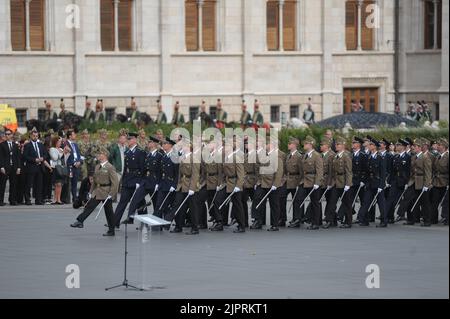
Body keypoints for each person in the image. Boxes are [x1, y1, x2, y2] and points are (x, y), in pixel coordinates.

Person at [70, 147, 119, 237]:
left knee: (109, 212)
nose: (98, 155)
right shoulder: (97, 166)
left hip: (106, 191)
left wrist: (111, 194)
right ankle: (80, 221)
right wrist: (90, 191)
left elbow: (115, 183)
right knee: (89, 206)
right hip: (98, 191)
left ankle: (111, 230)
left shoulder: (110, 167)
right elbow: (95, 181)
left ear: (104, 155)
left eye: (100, 154)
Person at [251, 137, 285, 231]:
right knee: (258, 200)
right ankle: (258, 221)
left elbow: (279, 172)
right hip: (262, 183)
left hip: (272, 184)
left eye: (267, 144)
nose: (265, 146)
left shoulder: (277, 157)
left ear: (271, 145)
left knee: (274, 204)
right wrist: (257, 181)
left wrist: (276, 184)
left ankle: (274, 224)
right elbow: (258, 169)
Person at [396, 139, 433, 226]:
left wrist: (426, 184)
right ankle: (410, 218)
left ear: (419, 148)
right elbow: (411, 171)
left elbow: (428, 172)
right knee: (409, 199)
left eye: (415, 146)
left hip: (421, 181)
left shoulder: (425, 158)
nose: (413, 148)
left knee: (424, 202)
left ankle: (427, 220)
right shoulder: (413, 157)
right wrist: (408, 182)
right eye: (414, 146)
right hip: (413, 181)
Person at [212, 140, 246, 233]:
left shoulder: (236, 158)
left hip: (235, 183)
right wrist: (220, 184)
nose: (224, 148)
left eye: (226, 146)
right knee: (217, 201)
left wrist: (238, 186)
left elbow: (241, 174)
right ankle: (219, 222)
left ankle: (241, 225)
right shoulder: (224, 158)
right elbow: (223, 173)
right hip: (226, 183)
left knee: (237, 205)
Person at [114, 132, 146, 226]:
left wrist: (139, 182)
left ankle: (144, 223)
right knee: (122, 202)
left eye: (130, 139)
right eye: (127, 139)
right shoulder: (127, 152)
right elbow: (125, 168)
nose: (128, 140)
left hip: (136, 180)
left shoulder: (140, 152)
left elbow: (142, 168)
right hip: (128, 180)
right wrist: (123, 181)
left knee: (140, 202)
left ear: (135, 140)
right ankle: (114, 222)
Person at [126, 136, 162, 219]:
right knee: (135, 199)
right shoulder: (148, 154)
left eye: (150, 142)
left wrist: (158, 183)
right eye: (148, 142)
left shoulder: (159, 156)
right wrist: (140, 181)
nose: (148, 143)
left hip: (154, 182)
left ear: (154, 144)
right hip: (145, 181)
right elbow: (144, 169)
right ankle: (129, 217)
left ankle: (158, 223)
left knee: (156, 203)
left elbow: (160, 171)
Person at [169, 142, 200, 235]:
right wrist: (178, 185)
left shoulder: (194, 158)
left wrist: (192, 188)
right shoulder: (182, 157)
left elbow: (195, 174)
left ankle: (195, 228)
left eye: (185, 146)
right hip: (182, 185)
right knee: (178, 205)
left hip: (190, 186)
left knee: (192, 207)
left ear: (189, 147)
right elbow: (180, 173)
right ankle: (179, 226)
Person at [357, 137, 387, 227]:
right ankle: (363, 219)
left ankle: (384, 221)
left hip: (378, 183)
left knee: (381, 203)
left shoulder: (380, 157)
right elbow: (367, 172)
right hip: (370, 183)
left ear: (374, 146)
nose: (368, 146)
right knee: (366, 201)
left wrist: (381, 185)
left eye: (370, 144)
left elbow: (383, 173)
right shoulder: (369, 157)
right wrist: (364, 181)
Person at [325, 137, 353, 229]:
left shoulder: (346, 156)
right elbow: (331, 172)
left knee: (346, 203)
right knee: (332, 202)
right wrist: (329, 183)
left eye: (338, 144)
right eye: (336, 144)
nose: (336, 146)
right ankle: (330, 221)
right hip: (335, 182)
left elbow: (349, 171)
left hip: (344, 182)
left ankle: (348, 222)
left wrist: (348, 184)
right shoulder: (334, 156)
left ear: (343, 146)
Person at [153, 137, 179, 220]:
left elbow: (177, 173)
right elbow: (160, 172)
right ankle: (157, 225)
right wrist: (158, 183)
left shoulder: (175, 157)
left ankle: (174, 223)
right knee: (159, 204)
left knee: (171, 205)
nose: (163, 145)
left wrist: (174, 185)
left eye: (165, 143)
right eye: (163, 143)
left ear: (170, 145)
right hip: (163, 184)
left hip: (171, 185)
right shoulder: (164, 157)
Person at [386, 139, 411, 223]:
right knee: (390, 199)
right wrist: (388, 181)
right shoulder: (395, 156)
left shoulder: (408, 157)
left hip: (403, 182)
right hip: (394, 181)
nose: (397, 146)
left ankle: (409, 217)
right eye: (397, 145)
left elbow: (409, 171)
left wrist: (407, 182)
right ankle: (389, 217)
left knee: (401, 200)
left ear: (403, 147)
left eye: (399, 145)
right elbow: (392, 171)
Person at [281, 137, 303, 228]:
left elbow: (302, 171)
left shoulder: (299, 156)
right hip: (288, 180)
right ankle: (282, 218)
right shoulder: (288, 155)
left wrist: (300, 182)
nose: (288, 145)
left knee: (297, 201)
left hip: (296, 180)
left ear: (294, 145)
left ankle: (297, 219)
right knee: (281, 197)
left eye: (290, 144)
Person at [23, 128, 48, 205]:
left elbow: (45, 154)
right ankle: (27, 200)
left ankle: (38, 200)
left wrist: (42, 158)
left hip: (40, 168)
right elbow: (25, 156)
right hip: (31, 167)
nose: (35, 137)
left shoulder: (41, 145)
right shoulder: (27, 145)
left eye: (36, 136)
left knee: (39, 185)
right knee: (29, 184)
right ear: (30, 136)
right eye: (34, 136)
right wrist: (35, 160)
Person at [0, 128, 21, 206]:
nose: (7, 135)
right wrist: (1, 166)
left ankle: (12, 200)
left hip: (14, 167)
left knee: (14, 184)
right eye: (6, 134)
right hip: (5, 167)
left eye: (9, 134)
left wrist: (18, 167)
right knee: (2, 184)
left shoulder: (15, 145)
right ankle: (1, 200)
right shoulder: (2, 145)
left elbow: (18, 157)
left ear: (12, 135)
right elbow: (1, 157)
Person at [431, 138, 449, 225]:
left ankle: (446, 218)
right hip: (436, 181)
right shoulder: (438, 156)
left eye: (439, 145)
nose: (438, 146)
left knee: (446, 202)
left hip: (445, 181)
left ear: (444, 147)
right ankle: (433, 218)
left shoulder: (448, 156)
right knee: (434, 200)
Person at [65, 130, 82, 203]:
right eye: (74, 134)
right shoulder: (66, 144)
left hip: (77, 166)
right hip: (70, 166)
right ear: (69, 136)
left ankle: (74, 198)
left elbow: (78, 155)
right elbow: (66, 157)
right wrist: (73, 163)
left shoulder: (75, 144)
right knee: (68, 183)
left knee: (75, 183)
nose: (75, 135)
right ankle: (67, 198)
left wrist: (79, 161)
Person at [49, 136, 65, 205]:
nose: (60, 143)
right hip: (55, 168)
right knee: (56, 184)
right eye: (59, 142)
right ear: (55, 142)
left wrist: (65, 153)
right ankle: (55, 199)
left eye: (60, 142)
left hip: (61, 168)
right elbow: (55, 158)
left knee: (60, 184)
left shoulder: (61, 149)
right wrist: (61, 153)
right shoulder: (52, 149)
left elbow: (64, 159)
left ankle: (59, 199)